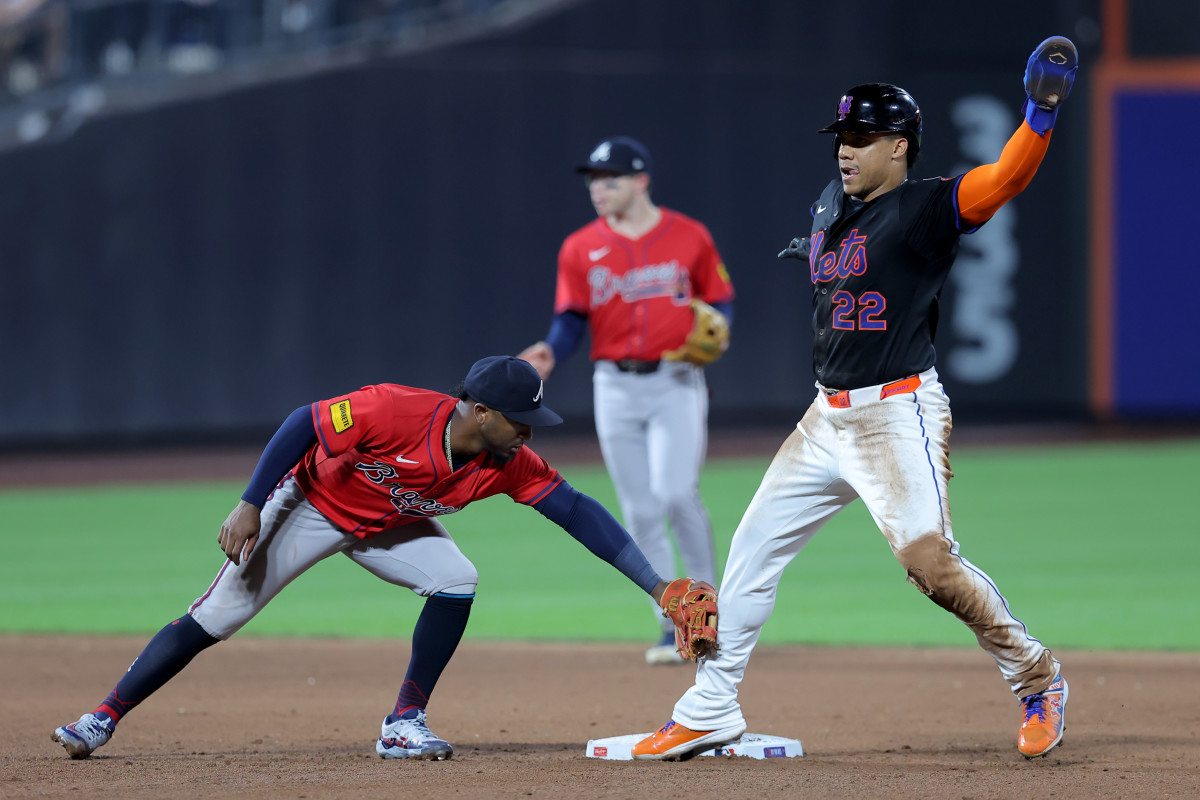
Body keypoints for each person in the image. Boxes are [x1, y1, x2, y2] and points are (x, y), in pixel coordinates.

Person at [632, 37, 1079, 760]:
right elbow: (848, 261)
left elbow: (1001, 181)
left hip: (894, 412)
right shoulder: (832, 208)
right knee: (748, 559)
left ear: (899, 146)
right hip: (824, 419)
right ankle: (710, 707)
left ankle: (1037, 677)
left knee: (930, 567)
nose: (846, 149)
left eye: (862, 137)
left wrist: (1039, 115)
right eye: (842, 136)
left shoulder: (926, 207)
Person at [51, 356, 690, 761]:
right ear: (481, 411)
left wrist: (657, 587)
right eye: (520, 421)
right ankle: (101, 717)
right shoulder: (395, 408)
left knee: (456, 580)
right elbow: (304, 422)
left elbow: (576, 512)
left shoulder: (507, 462)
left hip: (388, 524)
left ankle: (404, 723)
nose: (529, 433)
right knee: (218, 616)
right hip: (310, 506)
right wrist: (250, 502)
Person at [518, 136, 735, 665]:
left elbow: (720, 300)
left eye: (609, 178)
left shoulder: (690, 236)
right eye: (593, 179)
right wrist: (551, 350)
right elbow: (571, 319)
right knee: (639, 509)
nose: (598, 188)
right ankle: (671, 623)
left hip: (676, 379)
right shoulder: (578, 247)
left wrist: (720, 328)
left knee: (676, 493)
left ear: (641, 180)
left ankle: (711, 610)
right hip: (613, 384)